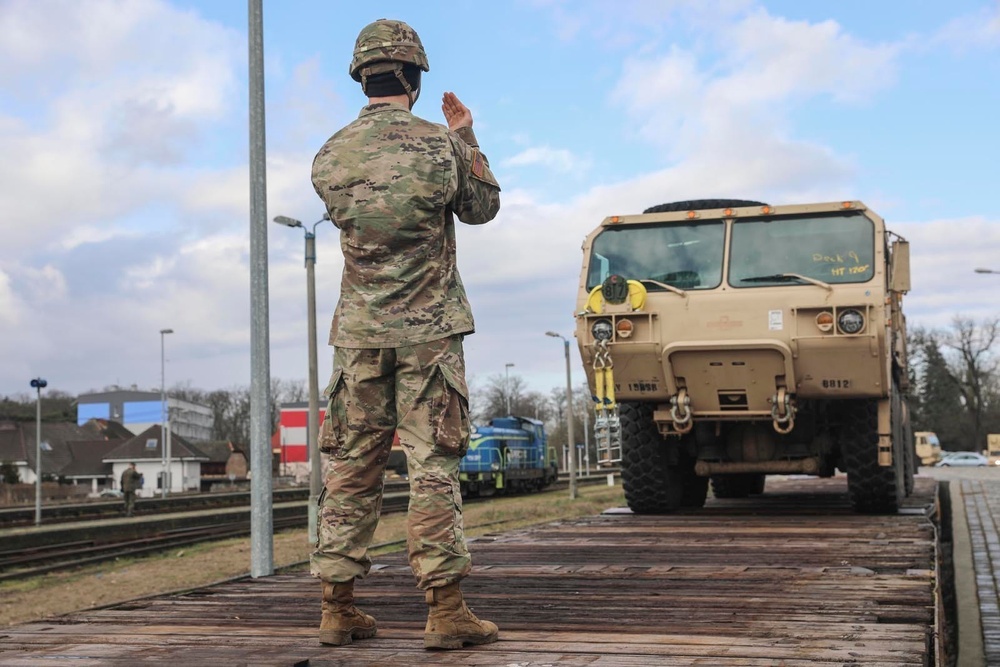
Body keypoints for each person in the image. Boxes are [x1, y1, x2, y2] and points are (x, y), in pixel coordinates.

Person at [309, 18, 501, 651]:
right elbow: (481, 209)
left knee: (351, 468)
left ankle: (337, 610)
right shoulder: (438, 146)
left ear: (362, 77)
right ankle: (445, 613)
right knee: (432, 469)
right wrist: (465, 136)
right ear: (415, 79)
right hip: (430, 335)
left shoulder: (330, 156)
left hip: (357, 336)